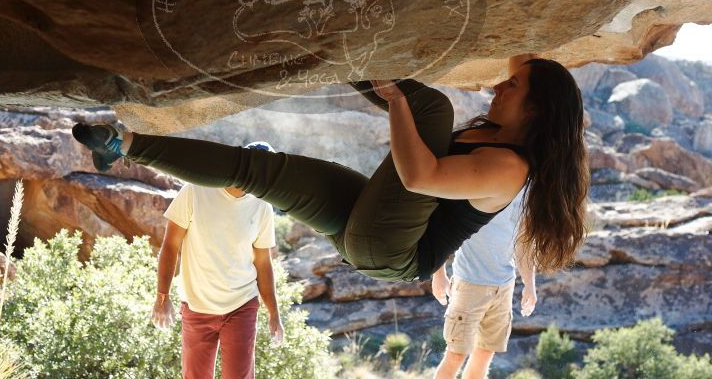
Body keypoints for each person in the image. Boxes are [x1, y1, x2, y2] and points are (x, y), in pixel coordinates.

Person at [73, 53, 588, 283]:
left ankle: (345, 49)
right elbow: (527, 56)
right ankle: (123, 144)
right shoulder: (496, 138)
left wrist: (397, 102)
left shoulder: (509, 168)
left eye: (512, 87)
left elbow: (419, 178)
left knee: (432, 109)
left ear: (538, 110)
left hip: (392, 250)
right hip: (371, 230)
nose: (499, 86)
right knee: (259, 170)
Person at [150, 141, 284, 379]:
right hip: (197, 305)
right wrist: (163, 296)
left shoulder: (262, 205)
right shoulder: (196, 190)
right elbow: (171, 246)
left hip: (241, 304)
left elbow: (263, 263)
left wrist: (274, 313)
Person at [432, 185, 536, 379]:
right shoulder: (481, 177)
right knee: (455, 355)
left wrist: (530, 285)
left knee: (485, 353)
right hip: (469, 285)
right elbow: (442, 224)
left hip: (504, 286)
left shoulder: (527, 186)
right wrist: (439, 274)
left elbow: (524, 241)